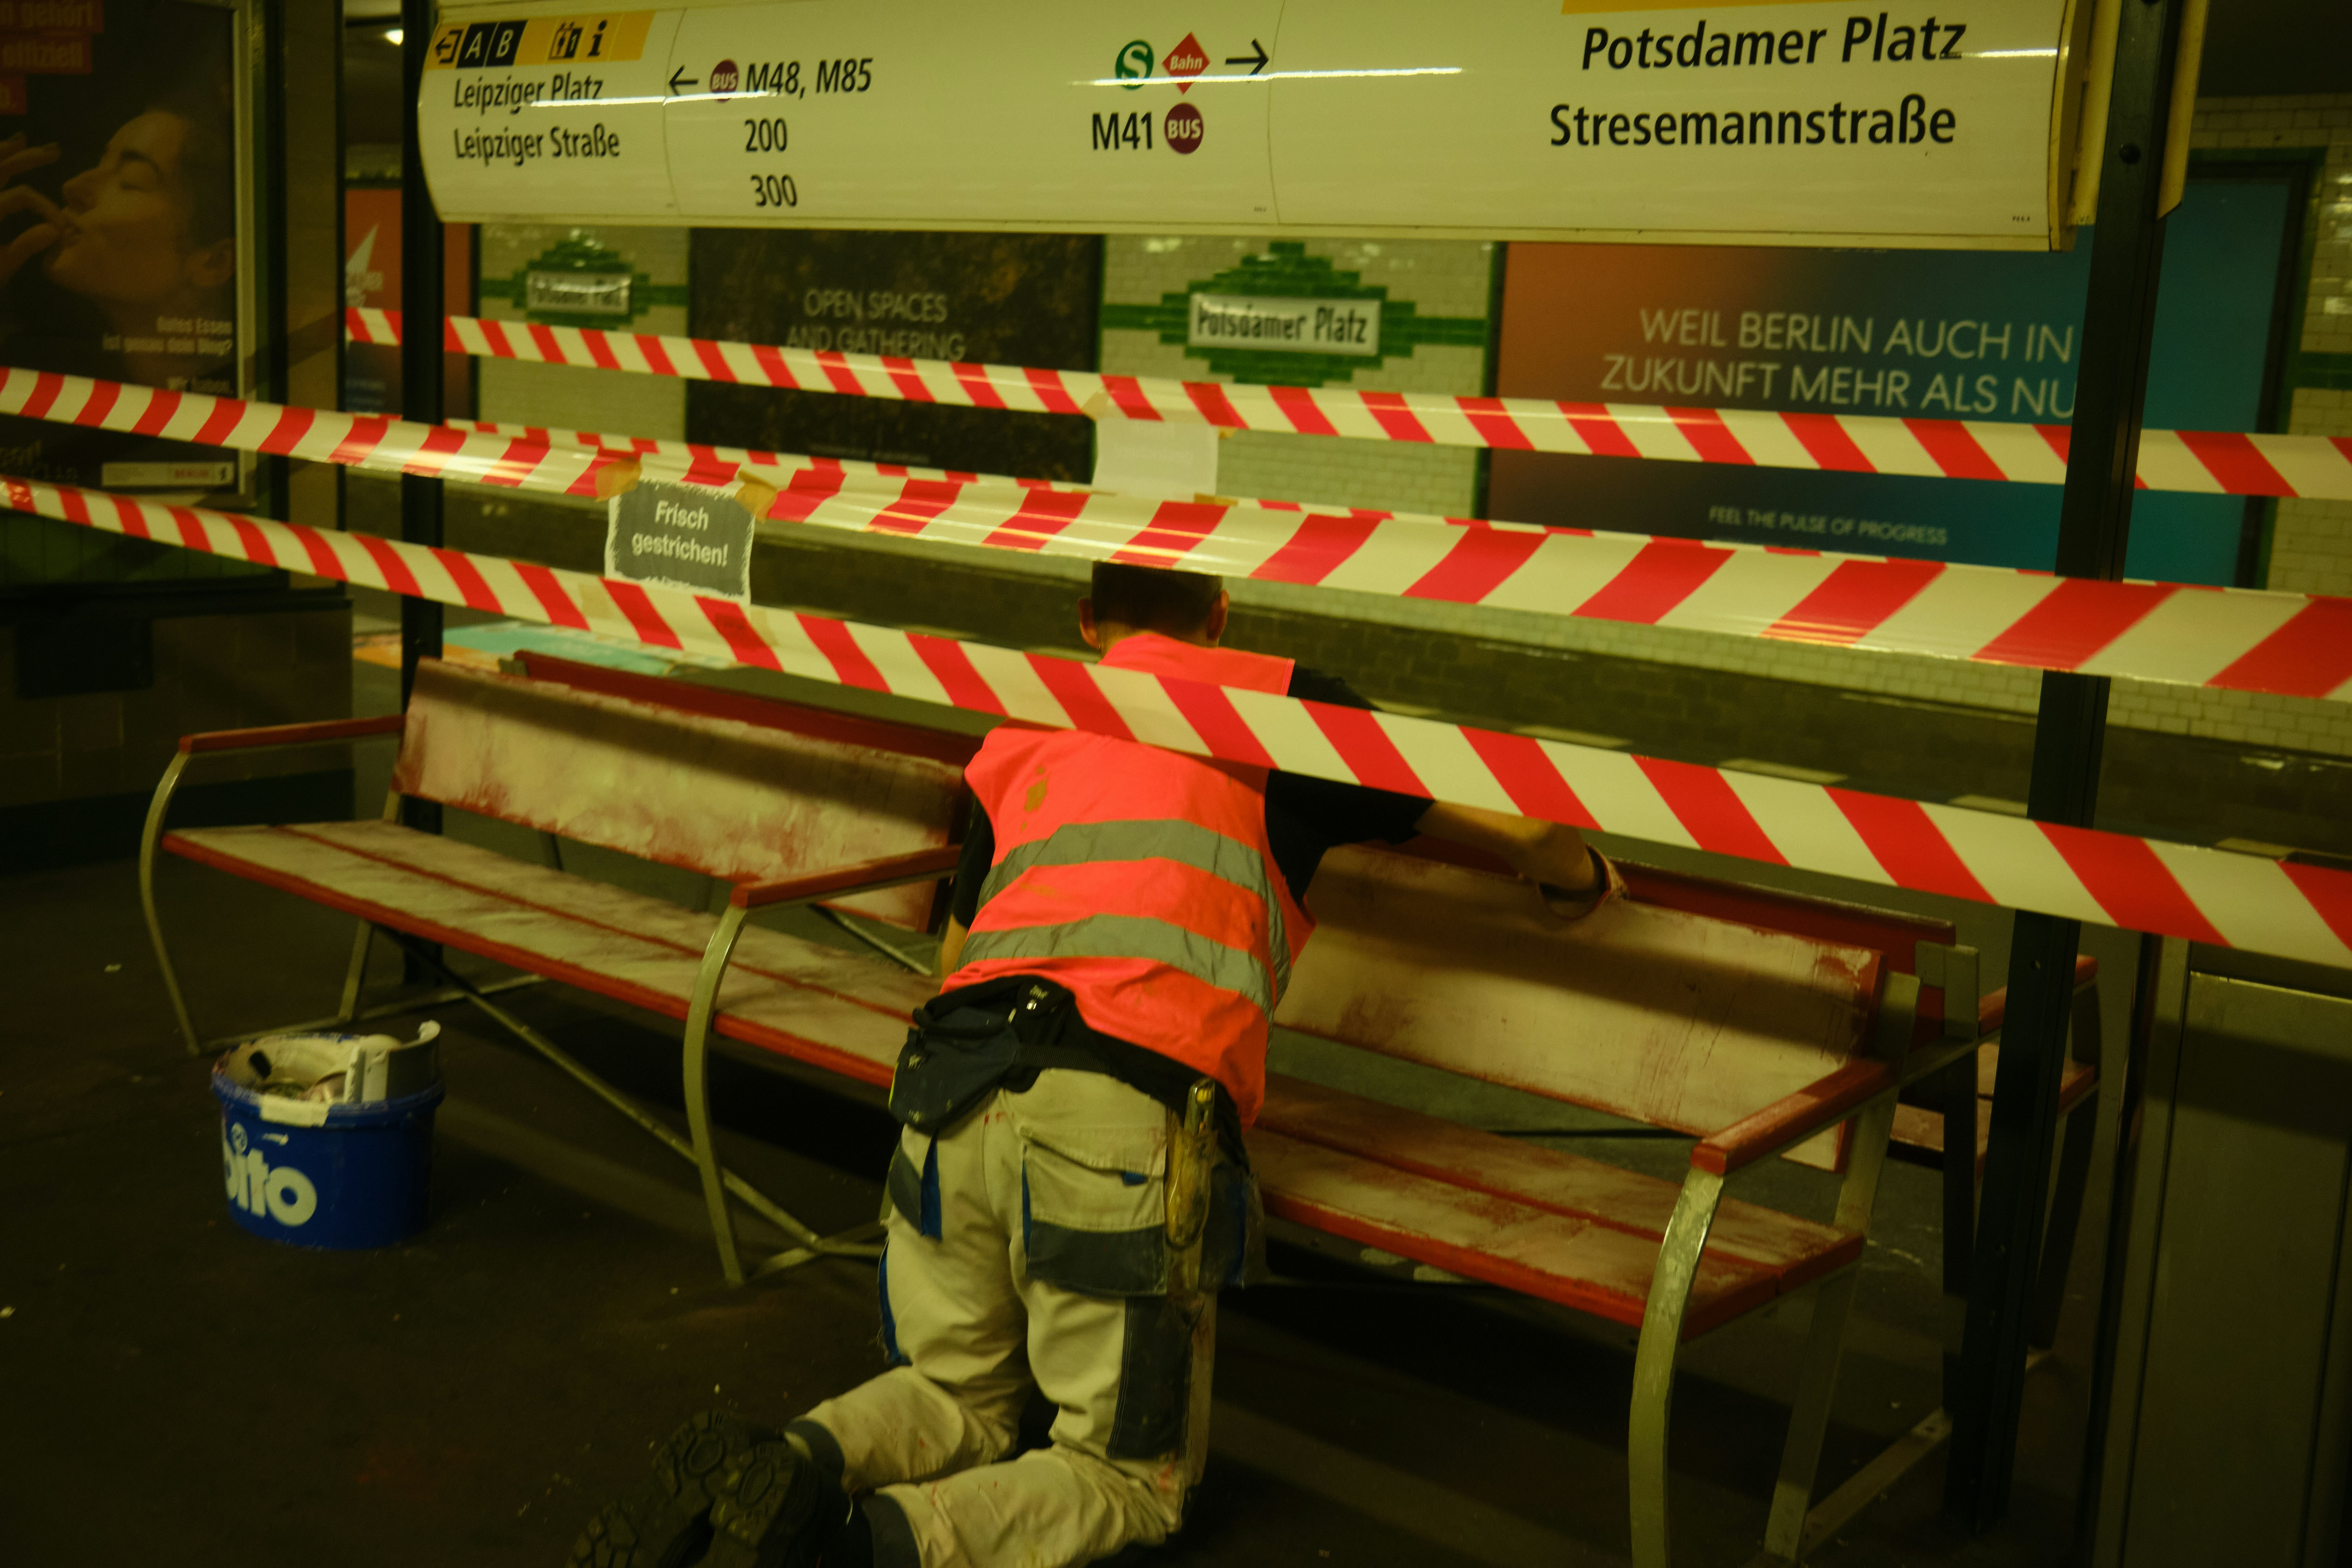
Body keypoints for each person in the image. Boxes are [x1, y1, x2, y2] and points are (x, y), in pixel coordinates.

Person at [571, 563, 1620, 1568]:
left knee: (953, 1394)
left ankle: (790, 1464)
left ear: (1088, 620)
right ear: (1220, 611)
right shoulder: (1278, 707)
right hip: (1121, 1106)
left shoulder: (1027, 722)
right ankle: (849, 1547)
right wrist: (1579, 878)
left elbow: (953, 955)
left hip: (949, 1083)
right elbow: (1522, 824)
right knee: (1127, 1480)